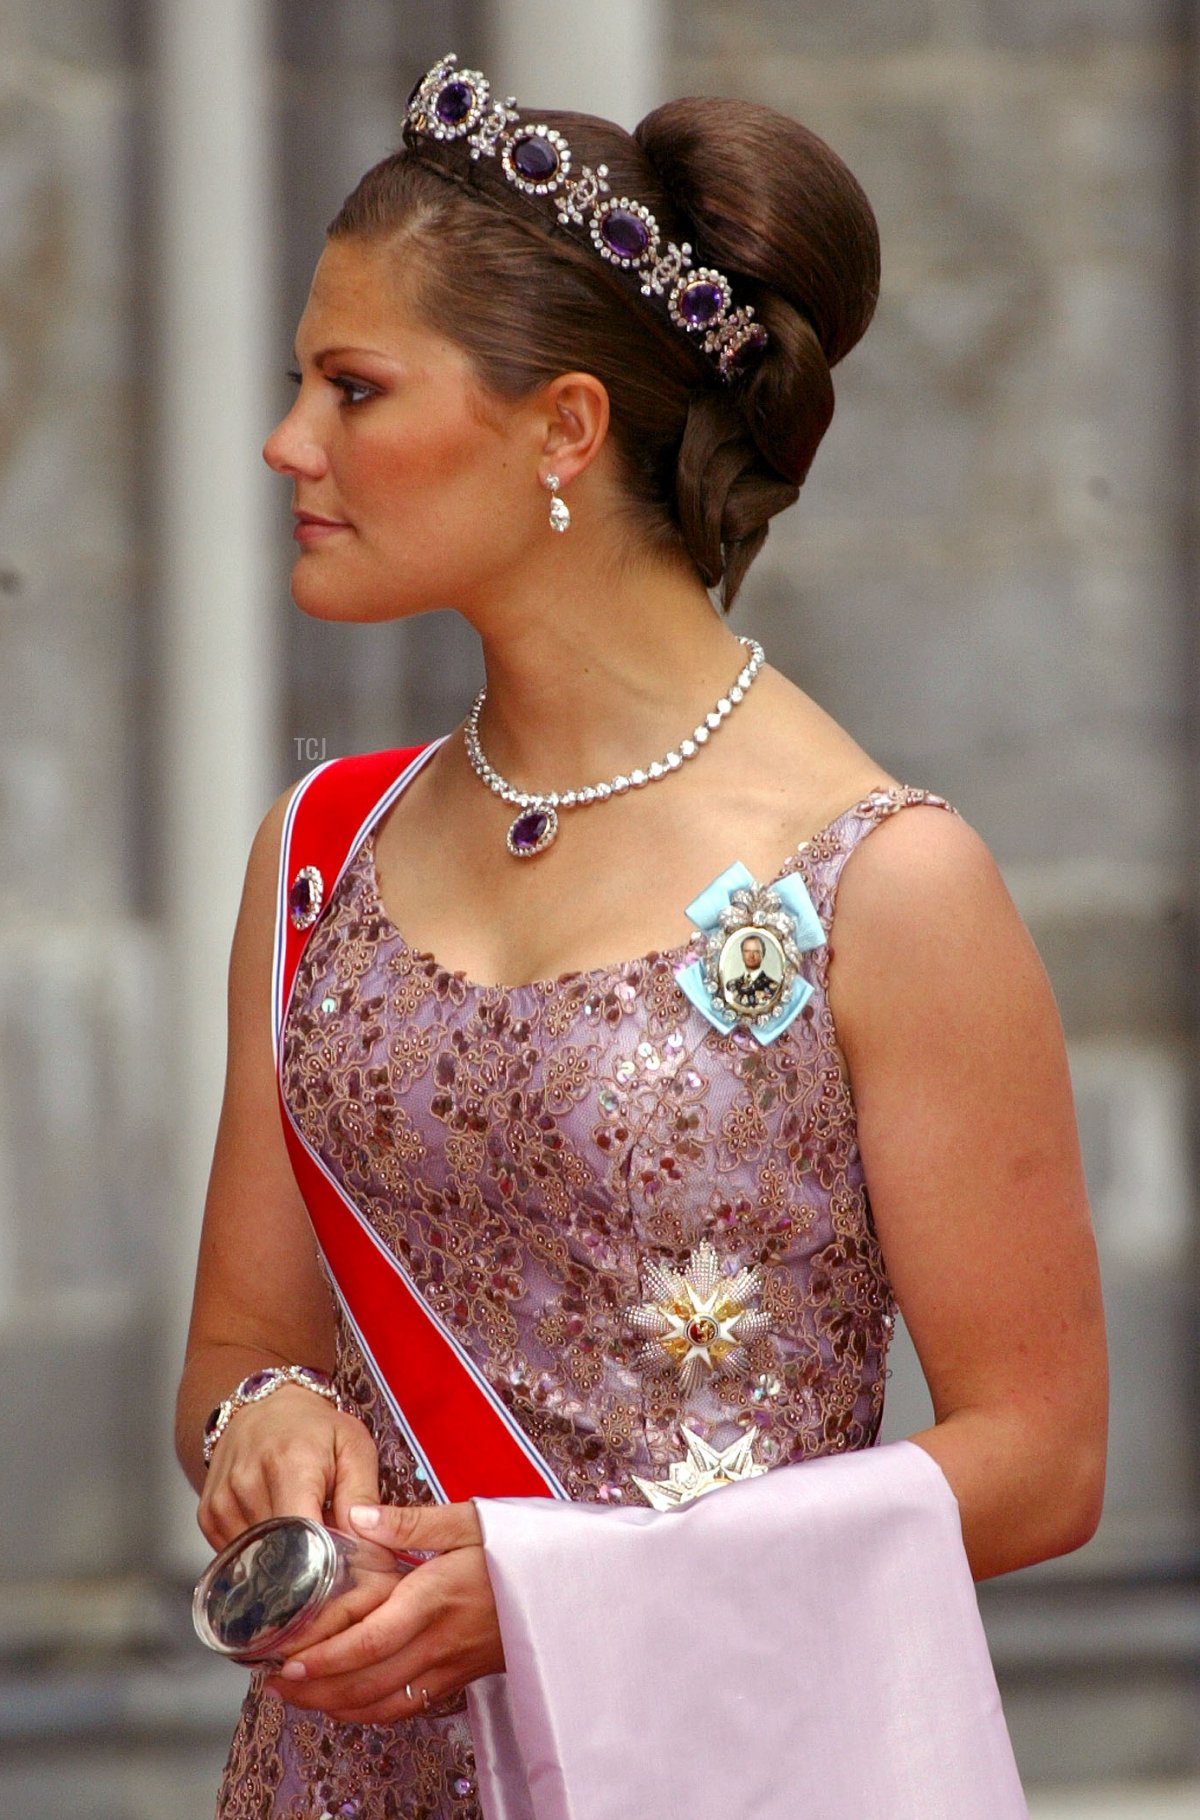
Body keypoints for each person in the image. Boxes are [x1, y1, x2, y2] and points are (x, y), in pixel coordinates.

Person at [175, 51, 1108, 1820]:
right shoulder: (319, 854)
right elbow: (236, 1354)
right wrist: (258, 1433)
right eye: (300, 381)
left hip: (710, 1767)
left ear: (565, 430)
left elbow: (1045, 1464)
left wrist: (551, 1598)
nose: (291, 443)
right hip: (336, 1774)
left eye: (353, 388)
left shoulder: (887, 884)